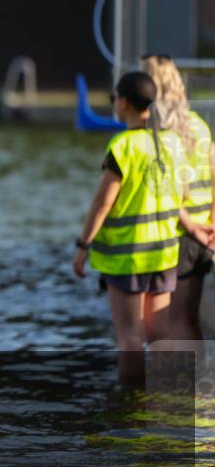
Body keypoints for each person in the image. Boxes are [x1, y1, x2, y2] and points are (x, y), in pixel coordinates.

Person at [72, 71, 212, 387]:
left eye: (113, 100)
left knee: (129, 335)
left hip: (128, 257)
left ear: (123, 102)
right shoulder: (173, 143)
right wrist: (192, 226)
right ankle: (170, 392)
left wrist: (83, 246)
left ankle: (132, 407)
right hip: (163, 253)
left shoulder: (123, 146)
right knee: (157, 333)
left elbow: (102, 204)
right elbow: (180, 196)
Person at [142, 54, 215, 341]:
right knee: (190, 319)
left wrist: (190, 225)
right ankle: (199, 384)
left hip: (178, 231)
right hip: (203, 232)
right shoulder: (198, 124)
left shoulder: (159, 132)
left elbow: (165, 189)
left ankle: (175, 384)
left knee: (171, 323)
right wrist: (210, 222)